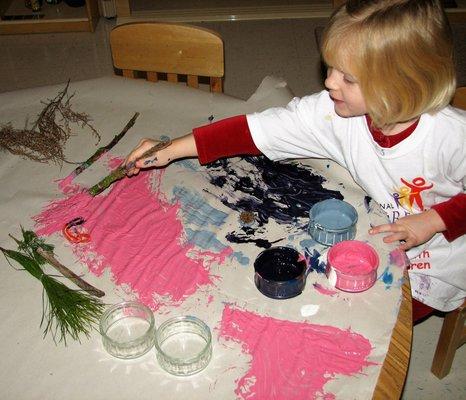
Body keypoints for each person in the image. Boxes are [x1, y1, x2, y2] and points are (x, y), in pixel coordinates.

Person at [125, 0, 466, 322]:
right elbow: (254, 130)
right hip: (381, 231)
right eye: (332, 67)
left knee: (370, 319)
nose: (329, 81)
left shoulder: (450, 137)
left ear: (400, 85)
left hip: (440, 258)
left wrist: (434, 220)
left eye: (347, 77)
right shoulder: (333, 113)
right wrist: (169, 150)